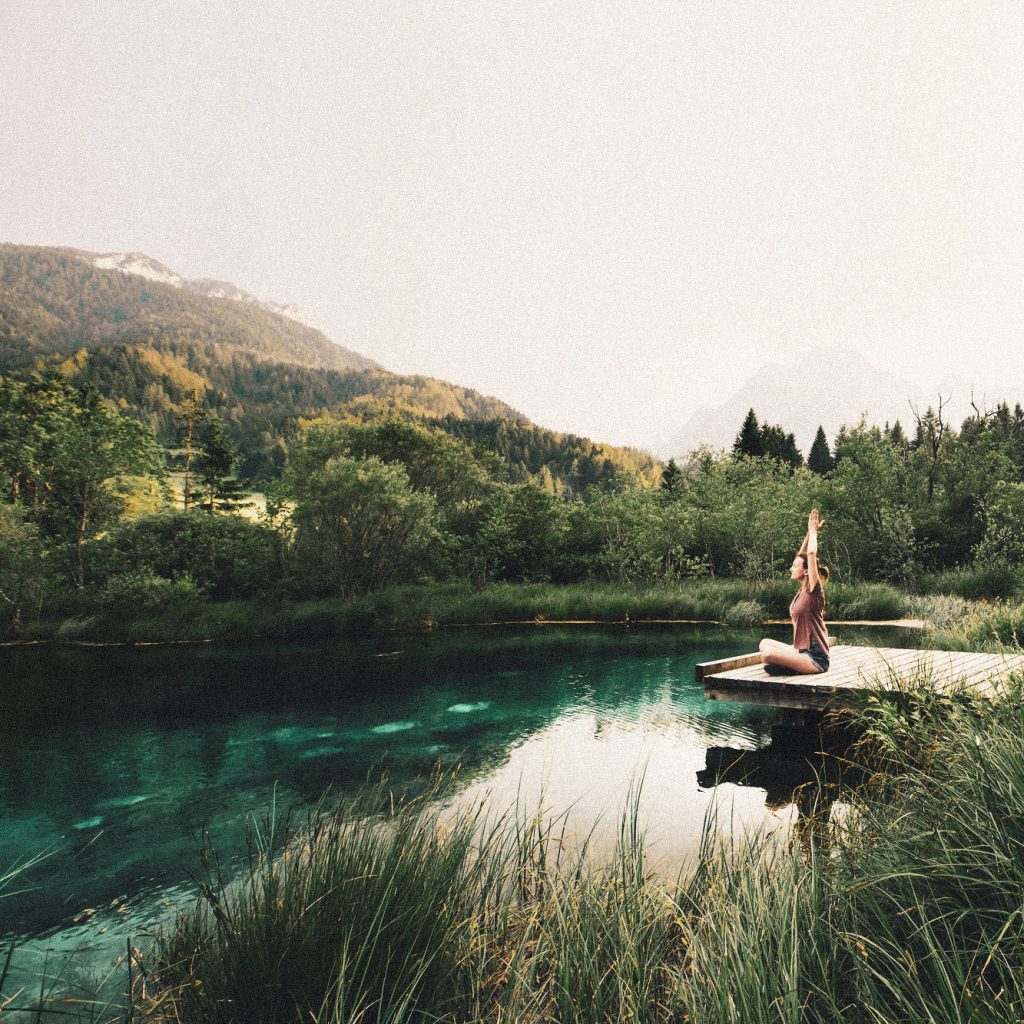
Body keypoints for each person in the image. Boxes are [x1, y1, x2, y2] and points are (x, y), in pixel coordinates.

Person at [759, 509, 830, 674]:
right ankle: (790, 664)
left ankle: (791, 666)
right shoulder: (802, 590)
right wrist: (809, 532)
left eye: (794, 567)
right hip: (800, 650)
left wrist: (814, 533)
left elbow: (811, 555)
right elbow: (803, 555)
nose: (791, 568)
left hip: (815, 658)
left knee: (767, 655)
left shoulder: (814, 591)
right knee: (764, 643)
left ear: (806, 571)